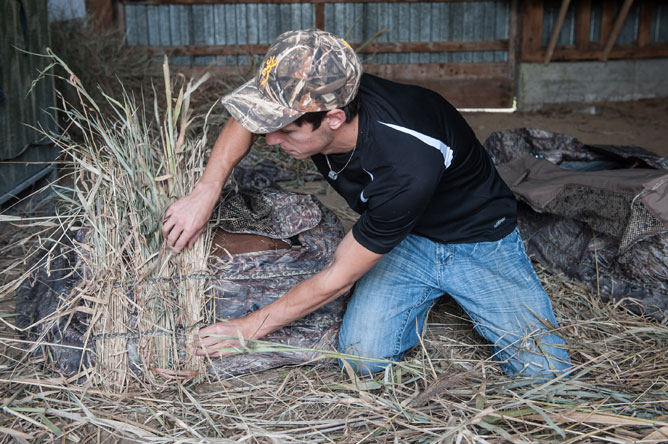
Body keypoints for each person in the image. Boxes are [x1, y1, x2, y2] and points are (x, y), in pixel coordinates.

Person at [162, 29, 571, 377]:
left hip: (477, 241)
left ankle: (457, 291)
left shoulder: (407, 166)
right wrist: (206, 190)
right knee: (360, 358)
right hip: (403, 240)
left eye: (283, 129)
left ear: (333, 119)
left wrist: (247, 328)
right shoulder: (319, 89)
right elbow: (248, 120)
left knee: (545, 371)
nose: (269, 139)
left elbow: (337, 276)